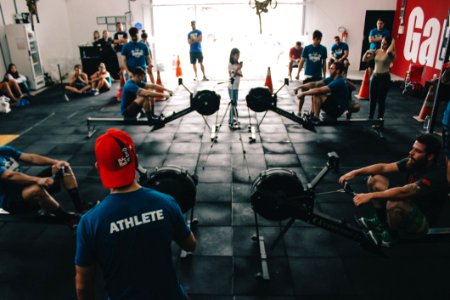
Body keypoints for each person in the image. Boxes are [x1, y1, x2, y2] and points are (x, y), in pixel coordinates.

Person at [75, 128, 197, 299]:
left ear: (98, 167)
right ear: (136, 160)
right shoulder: (166, 202)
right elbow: (190, 245)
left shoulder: (90, 222)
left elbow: (83, 286)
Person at [339, 134, 447, 247]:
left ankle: (391, 236)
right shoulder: (414, 162)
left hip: (422, 220)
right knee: (375, 179)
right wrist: (355, 172)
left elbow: (404, 192)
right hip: (410, 203)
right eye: (413, 148)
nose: (411, 153)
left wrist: (370, 196)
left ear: (430, 157)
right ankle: (382, 221)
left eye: (418, 151)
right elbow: (384, 167)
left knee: (395, 202)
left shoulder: (434, 176)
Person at [0, 145, 84, 226]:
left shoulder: (5, 150)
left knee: (62, 167)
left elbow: (32, 158)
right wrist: (38, 180)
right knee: (35, 189)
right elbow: (9, 175)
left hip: (23, 187)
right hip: (10, 200)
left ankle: (79, 206)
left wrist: (56, 162)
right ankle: (67, 219)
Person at [294, 30, 328, 114]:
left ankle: (312, 112)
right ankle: (299, 111)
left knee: (315, 94)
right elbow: (302, 61)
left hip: (318, 75)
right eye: (317, 39)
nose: (319, 41)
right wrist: (298, 73)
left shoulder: (323, 49)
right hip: (307, 75)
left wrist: (324, 75)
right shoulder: (307, 48)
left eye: (320, 39)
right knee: (303, 93)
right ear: (313, 38)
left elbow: (324, 64)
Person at [362, 37, 396, 120]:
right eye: (382, 43)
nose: (382, 45)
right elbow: (364, 59)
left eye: (385, 43)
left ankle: (379, 119)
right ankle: (370, 118)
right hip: (375, 77)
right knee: (372, 99)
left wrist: (393, 42)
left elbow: (388, 51)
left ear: (388, 45)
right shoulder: (377, 51)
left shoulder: (391, 53)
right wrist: (367, 52)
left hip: (384, 78)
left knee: (381, 100)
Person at [228, 48, 243, 129]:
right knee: (233, 104)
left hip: (236, 87)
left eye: (239, 55)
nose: (238, 57)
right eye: (237, 55)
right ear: (232, 55)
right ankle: (230, 120)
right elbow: (232, 74)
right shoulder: (230, 64)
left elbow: (241, 75)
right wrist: (238, 68)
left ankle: (233, 119)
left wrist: (239, 68)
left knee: (235, 103)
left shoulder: (237, 64)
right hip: (232, 87)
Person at [113, 22, 129, 98]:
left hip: (125, 51)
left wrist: (119, 41)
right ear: (117, 27)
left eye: (120, 26)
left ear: (122, 26)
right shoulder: (115, 35)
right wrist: (121, 40)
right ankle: (123, 82)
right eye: (118, 26)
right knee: (121, 67)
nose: (119, 27)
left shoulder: (125, 33)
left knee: (126, 65)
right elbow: (114, 41)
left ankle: (128, 80)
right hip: (119, 52)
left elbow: (126, 41)